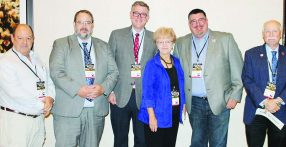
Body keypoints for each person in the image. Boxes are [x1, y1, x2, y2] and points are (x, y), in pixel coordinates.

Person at [173, 8, 243, 147]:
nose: (197, 24)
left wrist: (235, 96)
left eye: (201, 20)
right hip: (194, 103)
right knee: (198, 142)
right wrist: (181, 101)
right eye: (193, 21)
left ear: (207, 21)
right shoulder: (181, 43)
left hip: (221, 101)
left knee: (218, 143)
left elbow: (238, 69)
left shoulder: (225, 39)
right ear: (189, 24)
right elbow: (177, 75)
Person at [49, 10, 119, 147]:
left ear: (92, 25)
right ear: (74, 25)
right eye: (80, 22)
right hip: (68, 111)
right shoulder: (61, 44)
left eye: (88, 22)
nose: (84, 26)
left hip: (95, 111)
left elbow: (114, 72)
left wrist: (103, 88)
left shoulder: (103, 46)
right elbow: (56, 72)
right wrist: (77, 89)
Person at [242, 20, 286, 147]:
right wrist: (265, 102)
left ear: (280, 34)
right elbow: (247, 79)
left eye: (274, 31)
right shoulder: (251, 54)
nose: (271, 34)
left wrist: (278, 100)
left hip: (282, 110)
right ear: (263, 34)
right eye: (268, 31)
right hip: (256, 110)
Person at [108, 1, 156, 147]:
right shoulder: (116, 35)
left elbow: (156, 70)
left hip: (143, 98)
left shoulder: (154, 38)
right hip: (119, 96)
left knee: (142, 141)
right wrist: (109, 91)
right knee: (120, 139)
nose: (139, 16)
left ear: (148, 17)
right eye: (136, 13)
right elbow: (108, 64)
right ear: (130, 14)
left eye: (143, 14)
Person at [0, 24, 55, 147]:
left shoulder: (36, 58)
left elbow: (48, 82)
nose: (25, 42)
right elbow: (15, 93)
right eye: (20, 38)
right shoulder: (5, 62)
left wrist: (50, 99)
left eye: (29, 38)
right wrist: (43, 106)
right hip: (17, 121)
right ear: (12, 38)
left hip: (37, 120)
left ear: (33, 39)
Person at [138, 27, 186, 147]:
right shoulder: (152, 64)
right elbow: (147, 93)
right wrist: (152, 116)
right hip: (157, 116)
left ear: (172, 43)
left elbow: (181, 85)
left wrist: (183, 105)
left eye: (167, 41)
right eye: (161, 41)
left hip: (173, 114)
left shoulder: (177, 62)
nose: (164, 45)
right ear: (156, 44)